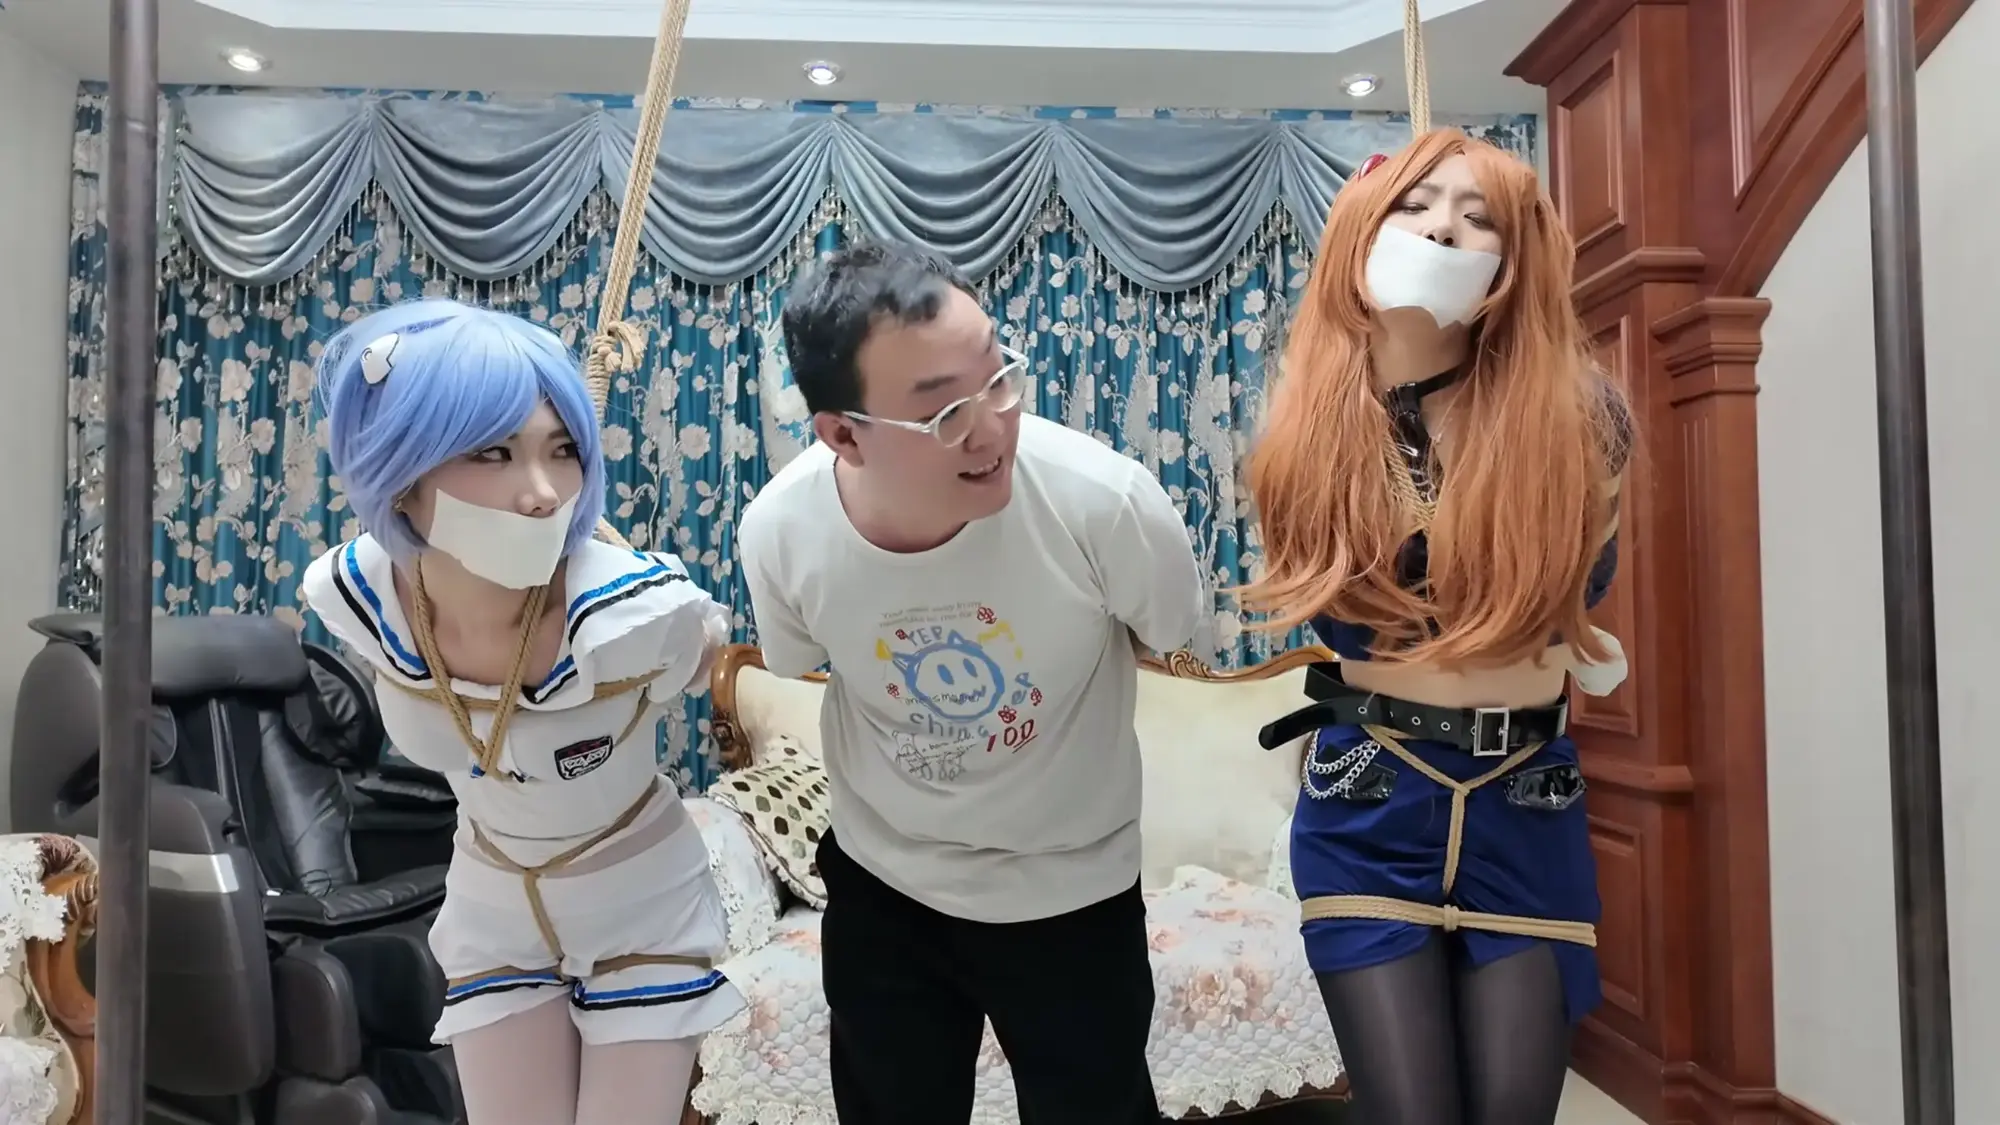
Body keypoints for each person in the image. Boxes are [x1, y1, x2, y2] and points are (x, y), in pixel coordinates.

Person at [738, 239, 1206, 1125]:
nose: (991, 426)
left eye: (998, 378)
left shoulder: (1102, 502)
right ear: (843, 433)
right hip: (885, 887)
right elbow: (797, 662)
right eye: (943, 411)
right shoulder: (782, 531)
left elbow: (1169, 633)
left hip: (1073, 889)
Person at [1241, 130, 1634, 1125]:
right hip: (1369, 794)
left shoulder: (1577, 418)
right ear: (1361, 229)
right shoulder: (1309, 426)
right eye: (1415, 207)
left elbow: (1568, 595)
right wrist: (1387, 370)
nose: (1443, 228)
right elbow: (1331, 595)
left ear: (1514, 257)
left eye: (1477, 215)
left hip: (1525, 794)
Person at [299, 298, 743, 1125]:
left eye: (563, 449)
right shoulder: (359, 592)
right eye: (493, 452)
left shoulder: (634, 611)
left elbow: (714, 667)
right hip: (494, 899)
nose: (543, 492)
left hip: (637, 900)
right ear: (401, 472)